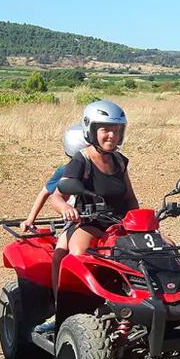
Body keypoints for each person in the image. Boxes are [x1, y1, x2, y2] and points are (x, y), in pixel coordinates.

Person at [50, 100, 138, 264]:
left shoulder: (119, 161)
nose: (112, 135)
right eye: (106, 130)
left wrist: (136, 221)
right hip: (91, 224)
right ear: (91, 130)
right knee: (78, 254)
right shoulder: (82, 160)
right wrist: (66, 208)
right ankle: (60, 283)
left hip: (121, 225)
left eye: (117, 130)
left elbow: (130, 197)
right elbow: (56, 197)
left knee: (163, 247)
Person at [19, 124, 85, 234]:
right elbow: (44, 193)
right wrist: (30, 219)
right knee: (67, 242)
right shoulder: (65, 171)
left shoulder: (107, 168)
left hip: (104, 219)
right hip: (75, 220)